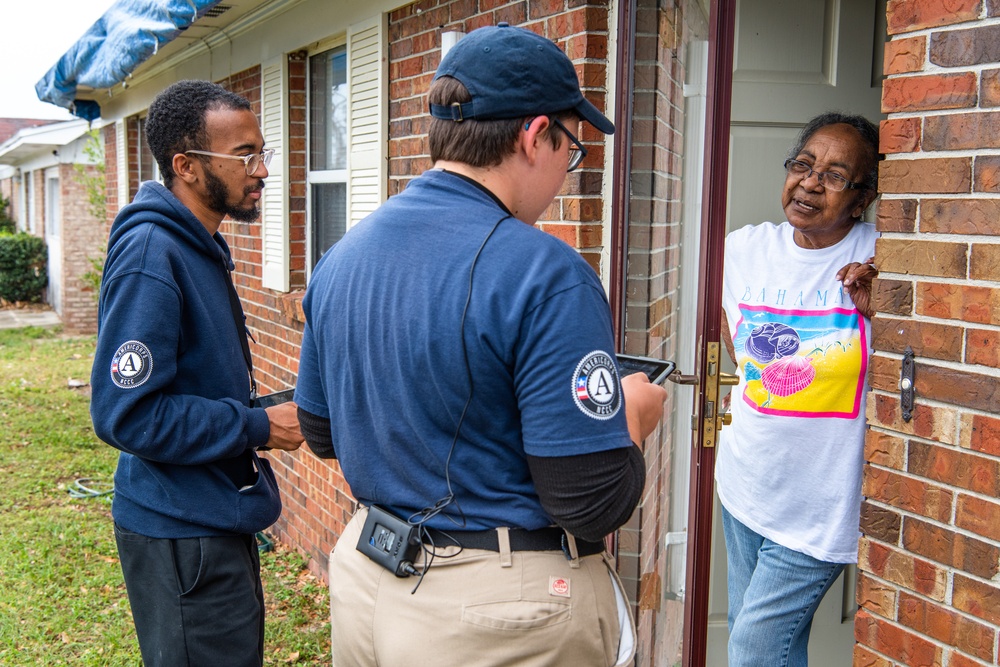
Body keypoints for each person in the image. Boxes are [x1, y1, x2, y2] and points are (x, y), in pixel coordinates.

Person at [294, 23, 669, 667]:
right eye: (569, 149)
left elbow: (320, 430)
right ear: (533, 135)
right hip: (498, 616)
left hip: (369, 579)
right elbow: (590, 499)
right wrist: (632, 413)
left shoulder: (342, 255)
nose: (563, 173)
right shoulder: (545, 272)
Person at [89, 80, 303, 667]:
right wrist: (256, 428)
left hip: (209, 513)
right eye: (244, 155)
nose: (261, 170)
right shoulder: (152, 256)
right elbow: (126, 413)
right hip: (181, 533)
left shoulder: (198, 245)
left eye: (263, 152)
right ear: (185, 166)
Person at [717, 111, 881, 666]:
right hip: (746, 483)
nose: (810, 183)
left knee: (755, 648)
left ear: (861, 200)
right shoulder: (744, 250)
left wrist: (881, 306)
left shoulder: (883, 257)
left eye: (836, 176)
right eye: (803, 165)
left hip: (821, 503)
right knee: (758, 638)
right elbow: (732, 351)